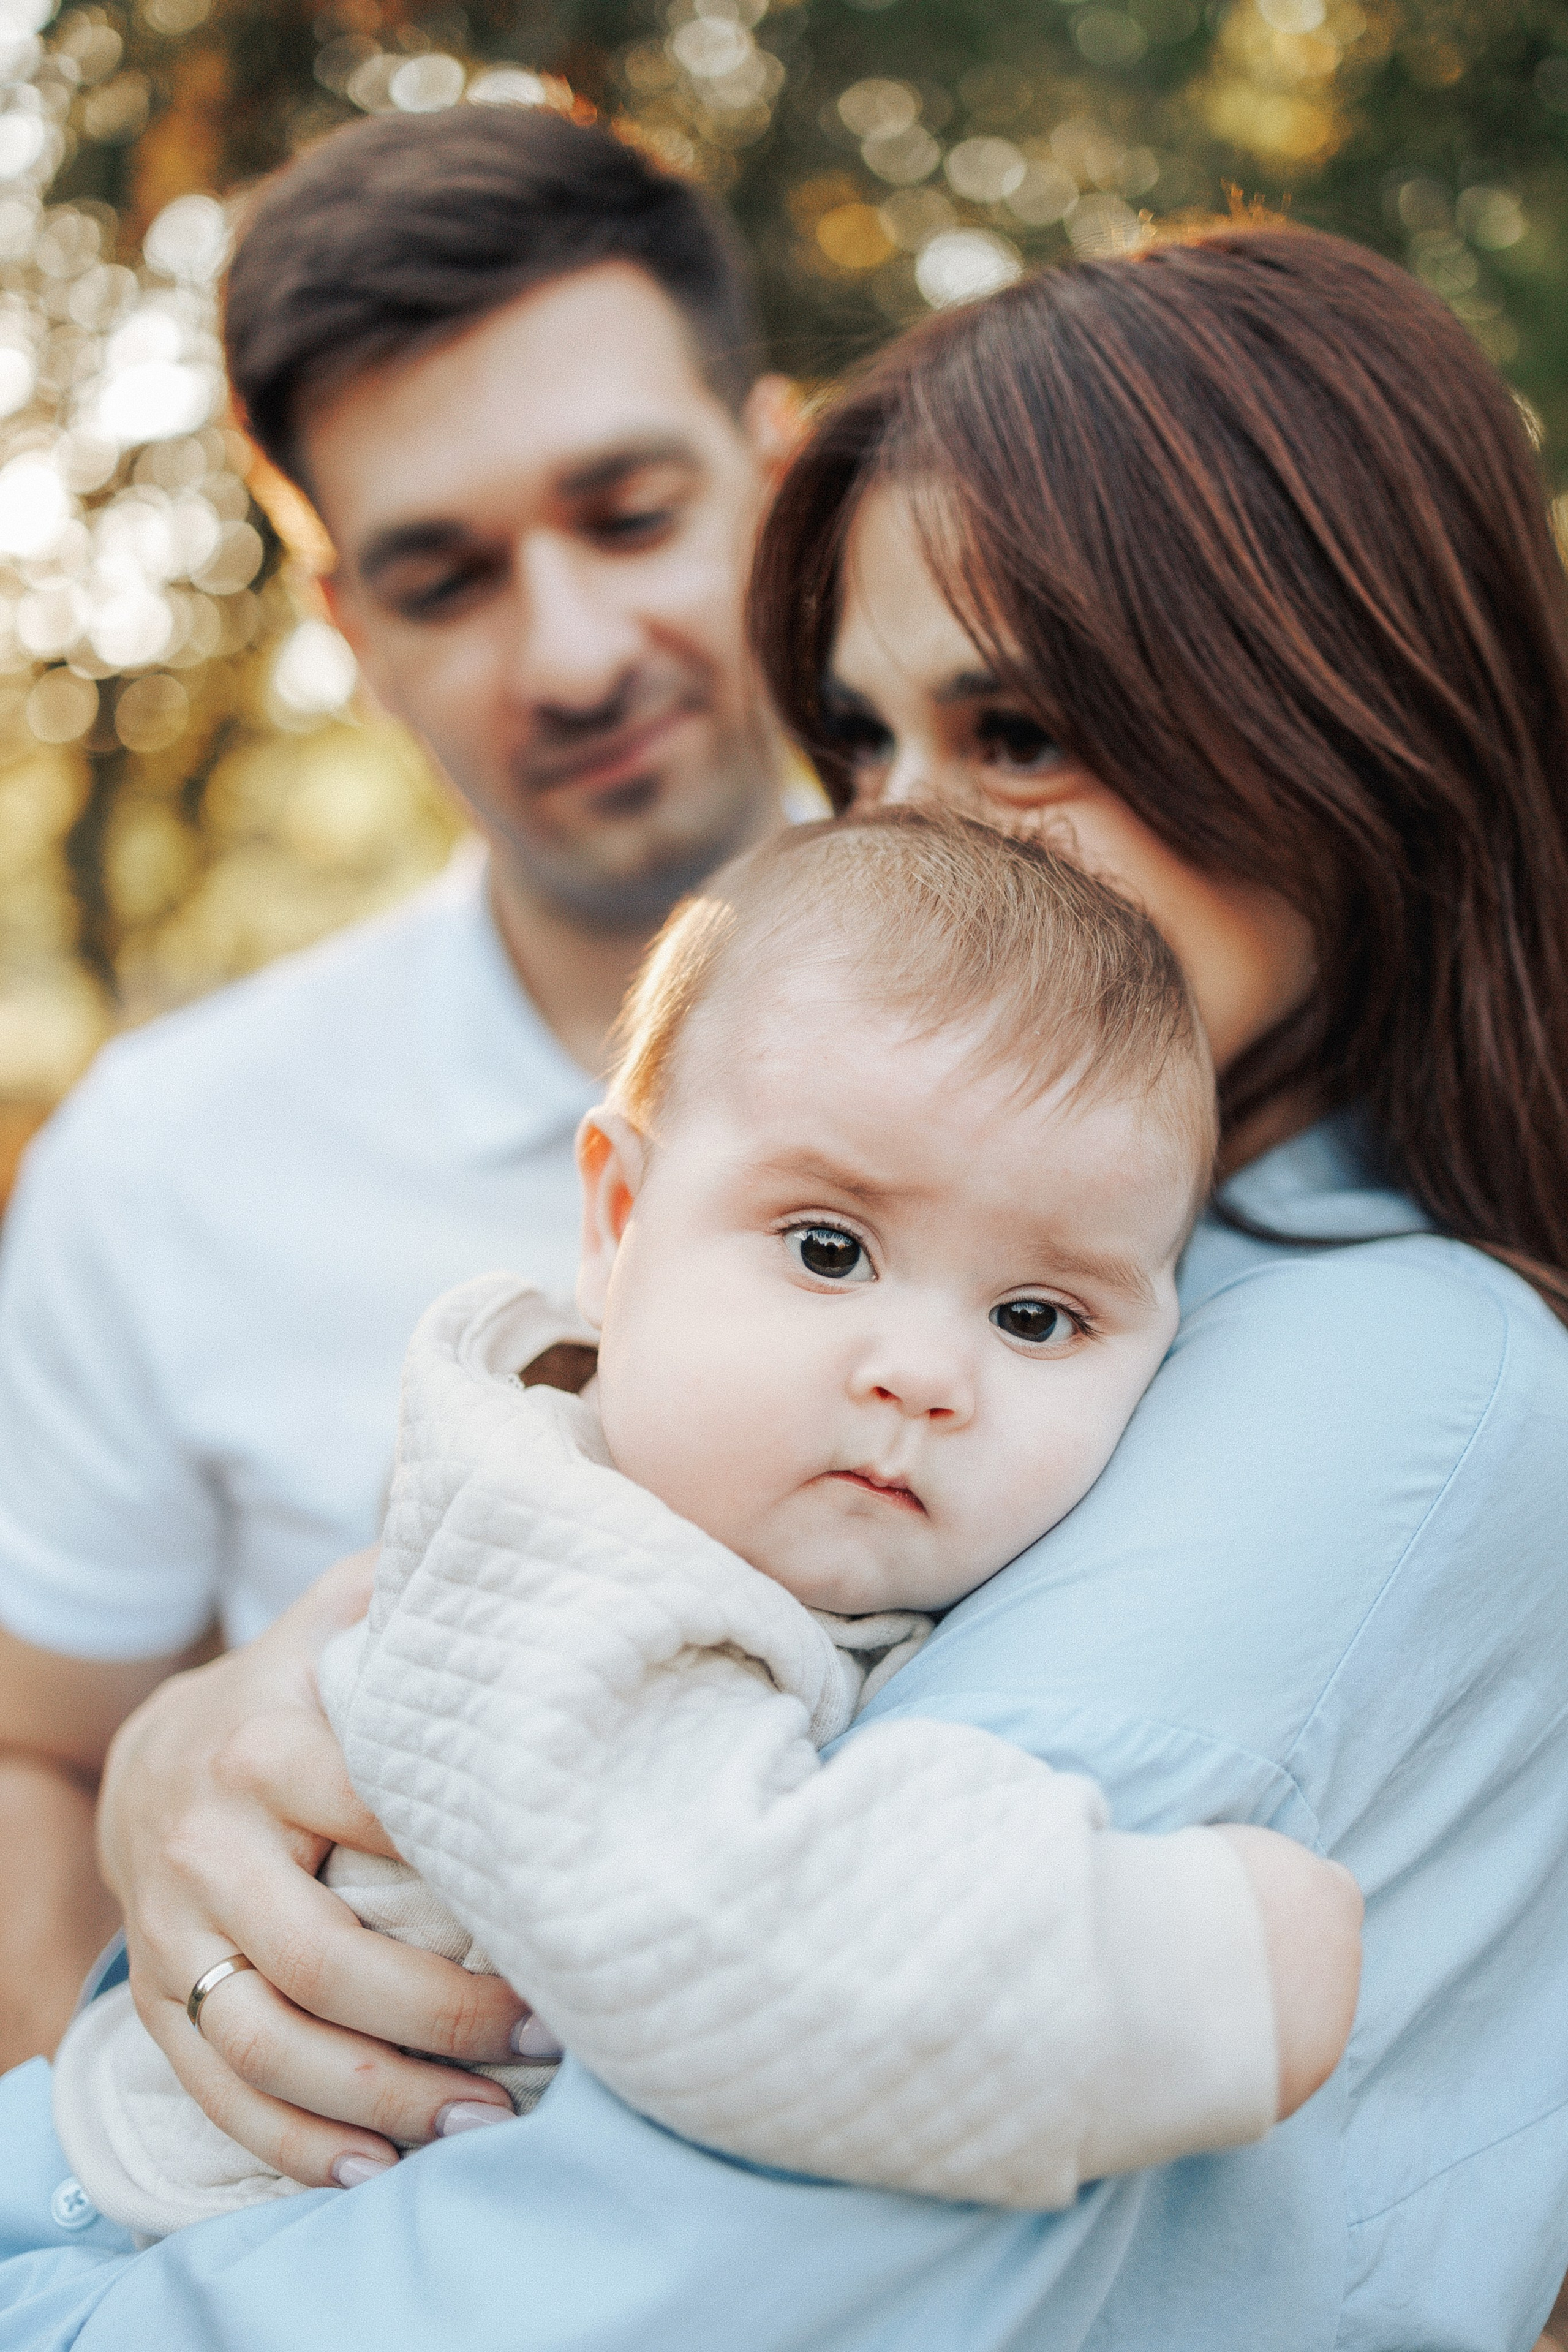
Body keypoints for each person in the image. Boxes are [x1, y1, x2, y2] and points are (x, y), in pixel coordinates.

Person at [3, 218, 1567, 2350]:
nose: (925, 848)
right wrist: (211, 1757)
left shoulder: (1373, 1368)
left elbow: (707, 2230)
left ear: (1331, 721)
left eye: (1019, 732)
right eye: (861, 746)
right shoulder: (1055, 1267)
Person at [50, 813, 1360, 2233]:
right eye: (826, 1248)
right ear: (616, 1219)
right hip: (165, 2254)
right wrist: (1194, 1979)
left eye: (1034, 1318)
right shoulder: (567, 1567)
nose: (921, 1374)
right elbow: (726, 1946)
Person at [0, 100, 797, 2075]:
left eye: (629, 513)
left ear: (779, 477)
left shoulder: (1138, 1054)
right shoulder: (164, 1161)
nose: (574, 652)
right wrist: (135, 1845)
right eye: (444, 578)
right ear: (348, 628)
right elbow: (39, 1744)